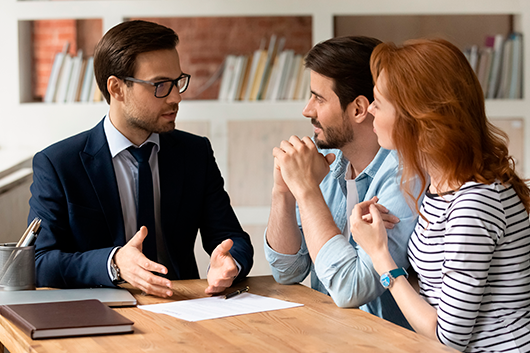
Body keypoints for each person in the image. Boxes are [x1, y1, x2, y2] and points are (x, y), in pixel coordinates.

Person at [29, 20, 253, 298]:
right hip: (101, 312)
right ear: (116, 88)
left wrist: (231, 262)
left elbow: (232, 237)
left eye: (177, 82)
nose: (176, 97)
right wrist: (113, 263)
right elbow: (40, 262)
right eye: (160, 85)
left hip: (184, 305)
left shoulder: (195, 153)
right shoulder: (59, 164)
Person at [350, 38, 530, 352]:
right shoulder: (441, 186)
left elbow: (448, 337)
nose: (370, 112)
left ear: (418, 118)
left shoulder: (474, 203)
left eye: (379, 101)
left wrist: (380, 256)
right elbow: (437, 291)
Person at [264, 36, 421, 328]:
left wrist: (307, 191)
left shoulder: (405, 176)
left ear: (360, 108)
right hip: (330, 335)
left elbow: (353, 288)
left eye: (318, 98)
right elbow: (287, 270)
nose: (307, 110)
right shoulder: (328, 160)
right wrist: (283, 191)